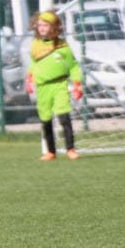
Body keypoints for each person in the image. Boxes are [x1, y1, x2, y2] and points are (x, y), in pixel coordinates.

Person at [25, 10, 83, 161]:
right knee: (45, 119)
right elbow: (34, 63)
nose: (42, 28)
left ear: (54, 27)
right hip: (42, 87)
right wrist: (29, 78)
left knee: (64, 116)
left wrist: (77, 84)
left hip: (59, 84)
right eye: (39, 25)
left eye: (45, 25)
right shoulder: (35, 45)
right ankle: (51, 152)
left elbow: (73, 66)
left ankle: (70, 149)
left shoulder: (62, 45)